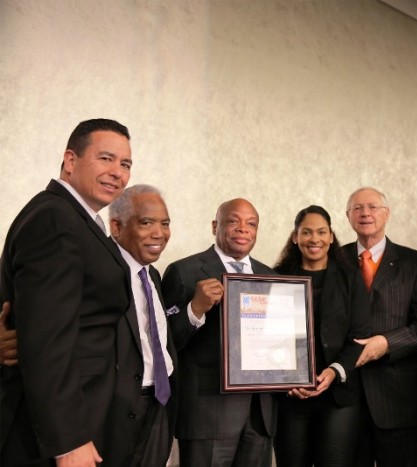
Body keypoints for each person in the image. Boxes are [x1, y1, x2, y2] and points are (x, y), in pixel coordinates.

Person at [0, 119, 133, 466]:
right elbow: (47, 340)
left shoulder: (76, 218)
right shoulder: (56, 219)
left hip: (85, 410)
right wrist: (68, 440)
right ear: (70, 161)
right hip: (55, 432)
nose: (117, 172)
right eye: (106, 158)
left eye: (126, 164)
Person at [160, 198, 276, 467]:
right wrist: (195, 309)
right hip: (207, 415)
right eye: (233, 221)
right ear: (215, 225)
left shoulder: (270, 276)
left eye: (251, 223)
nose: (243, 228)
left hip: (261, 415)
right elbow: (165, 343)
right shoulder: (183, 272)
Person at [273, 205, 372, 467]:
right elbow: (268, 337)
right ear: (295, 237)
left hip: (339, 395)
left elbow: (360, 336)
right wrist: (285, 380)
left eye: (321, 232)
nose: (314, 239)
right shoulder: (277, 278)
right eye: (306, 232)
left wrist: (333, 372)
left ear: (331, 236)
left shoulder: (350, 278)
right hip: (291, 396)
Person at [341, 187, 417, 467]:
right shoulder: (335, 260)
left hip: (398, 398)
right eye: (357, 208)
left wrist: (386, 343)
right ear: (348, 217)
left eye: (372, 207)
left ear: (387, 214)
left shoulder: (415, 263)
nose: (365, 213)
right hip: (346, 397)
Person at [105, 184, 178, 466]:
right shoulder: (98, 272)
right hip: (115, 412)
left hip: (159, 405)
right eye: (146, 223)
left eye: (165, 223)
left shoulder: (153, 275)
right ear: (117, 226)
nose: (159, 233)